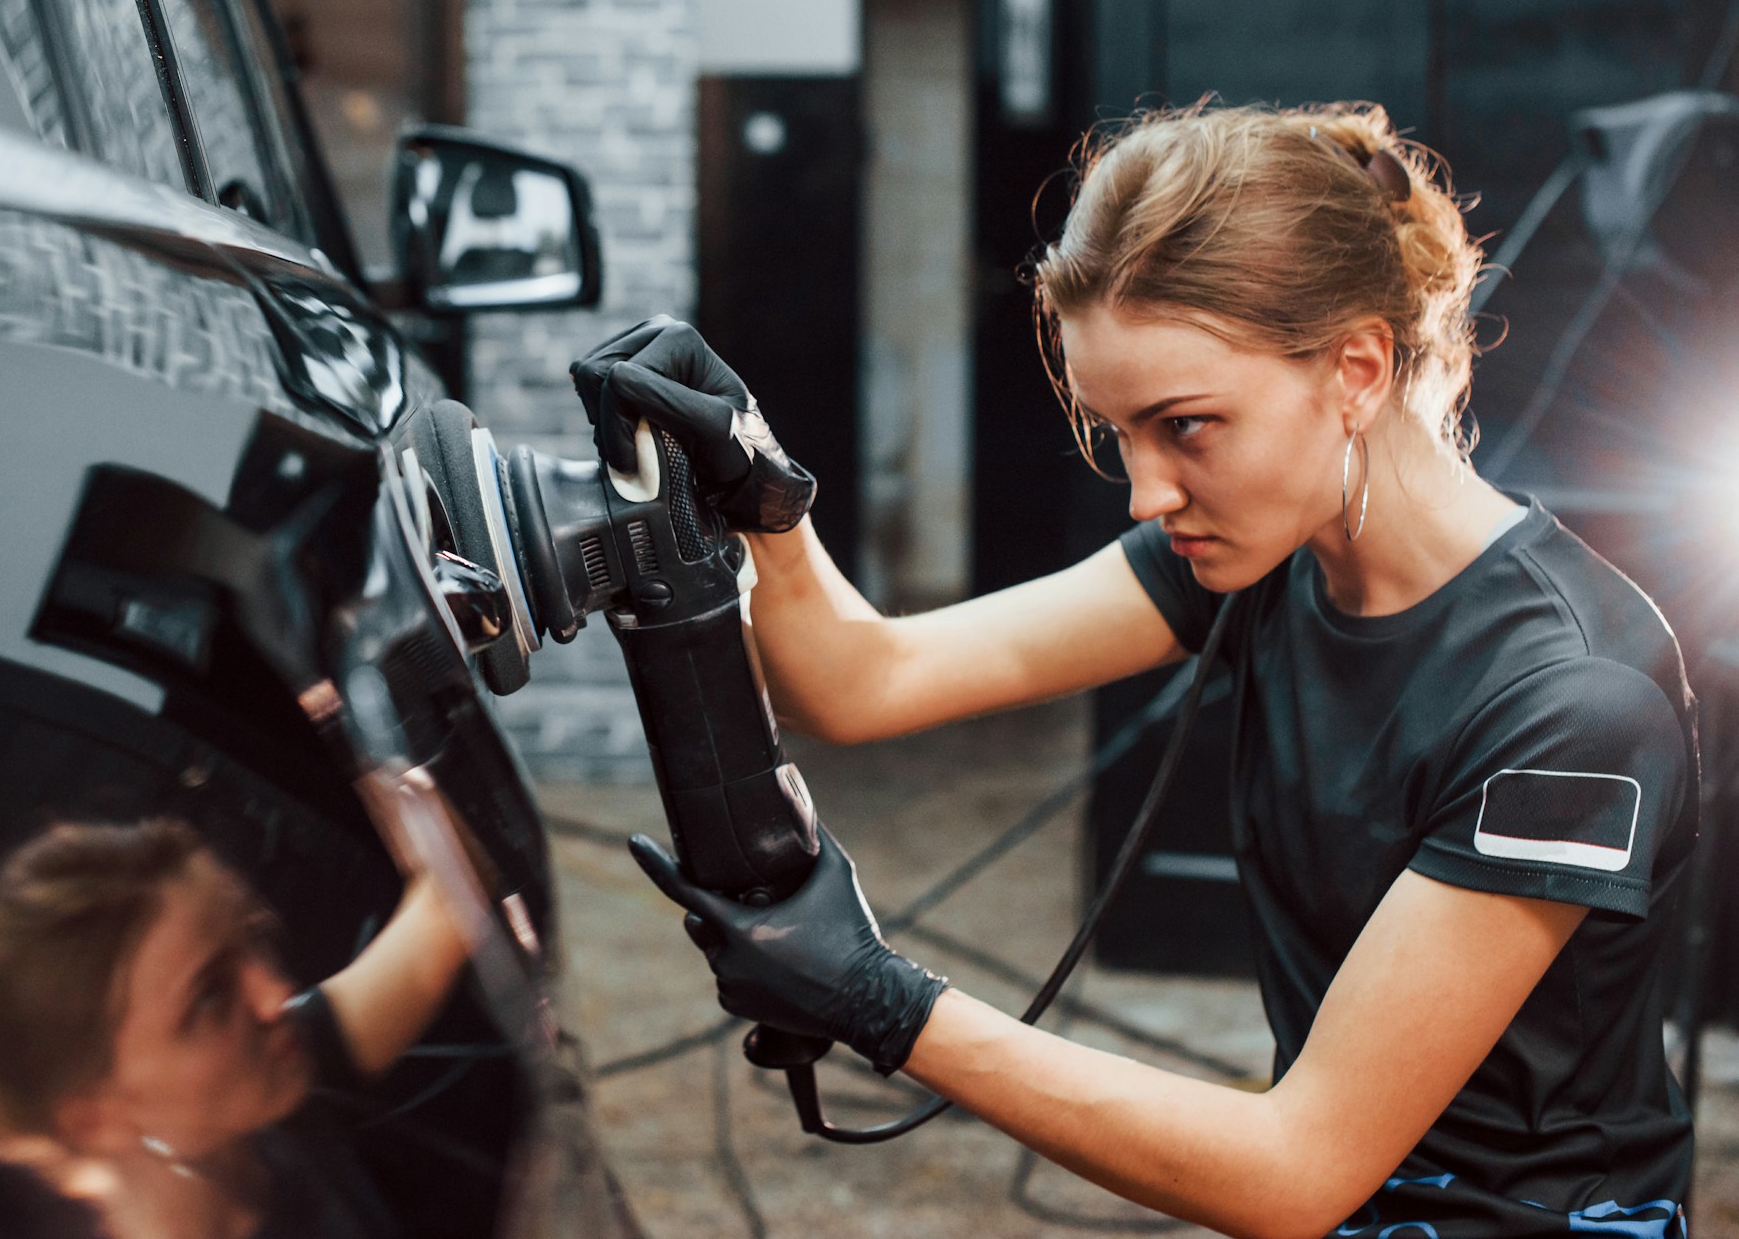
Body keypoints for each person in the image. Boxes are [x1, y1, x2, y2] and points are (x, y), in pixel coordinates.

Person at [569, 100, 1699, 1239]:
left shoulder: (1571, 701)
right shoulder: (1259, 552)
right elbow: (864, 678)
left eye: (1188, 427)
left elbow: (1292, 1169)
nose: (1149, 494)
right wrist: (757, 480)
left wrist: (886, 1003)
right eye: (1121, 436)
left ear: (1357, 367)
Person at [0, 817, 473, 1239]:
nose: (276, 996)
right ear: (94, 1120)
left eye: (252, 937)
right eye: (210, 996)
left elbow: (447, 903)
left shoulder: (265, 1112)